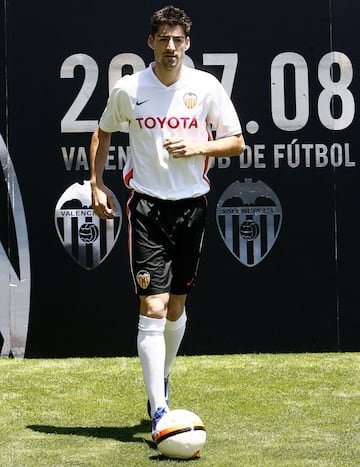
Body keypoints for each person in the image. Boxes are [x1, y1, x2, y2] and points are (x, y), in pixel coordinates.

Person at [90, 5, 245, 438]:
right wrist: (96, 182)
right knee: (152, 307)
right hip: (146, 208)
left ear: (188, 43)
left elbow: (236, 143)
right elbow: (103, 131)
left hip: (192, 207)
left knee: (176, 309)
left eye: (178, 39)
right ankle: (159, 410)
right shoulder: (129, 88)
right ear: (151, 42)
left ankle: (161, 379)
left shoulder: (206, 86)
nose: (171, 47)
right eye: (164, 39)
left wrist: (198, 147)